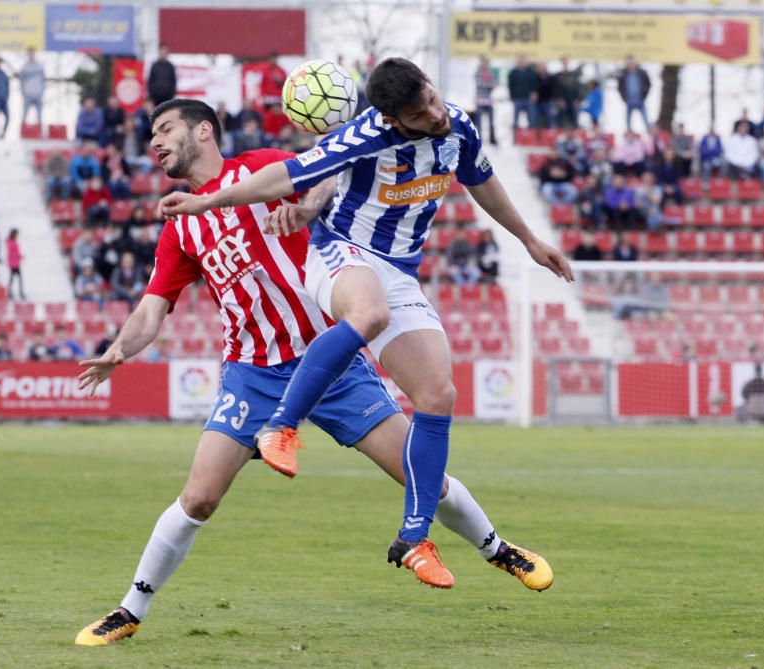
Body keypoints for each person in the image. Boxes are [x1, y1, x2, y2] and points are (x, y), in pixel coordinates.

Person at [74, 98, 552, 646]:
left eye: (164, 130)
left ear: (203, 130)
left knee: (420, 473)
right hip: (252, 373)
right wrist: (119, 349)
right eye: (151, 135)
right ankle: (129, 610)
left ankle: (499, 549)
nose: (154, 142)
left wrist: (306, 206)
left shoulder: (262, 167)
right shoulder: (182, 226)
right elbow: (151, 308)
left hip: (332, 362)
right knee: (200, 497)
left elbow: (335, 177)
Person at [158, 61, 567, 586]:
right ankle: (281, 426)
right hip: (341, 254)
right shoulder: (364, 136)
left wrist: (529, 239)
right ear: (394, 120)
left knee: (438, 395)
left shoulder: (458, 124)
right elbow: (286, 175)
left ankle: (417, 535)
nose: (436, 113)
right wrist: (207, 201)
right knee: (368, 315)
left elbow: (481, 181)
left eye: (433, 98)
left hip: (399, 271)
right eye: (421, 113)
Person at [617, 55, 651, 131]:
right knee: (628, 123)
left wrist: (644, 95)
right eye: (628, 63)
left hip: (640, 100)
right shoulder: (623, 74)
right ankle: (629, 137)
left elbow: (648, 84)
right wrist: (624, 98)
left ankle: (650, 137)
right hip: (629, 102)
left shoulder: (641, 73)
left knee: (646, 121)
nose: (630, 64)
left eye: (631, 62)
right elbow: (619, 88)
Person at [507, 55, 537, 129]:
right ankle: (515, 136)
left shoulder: (531, 73)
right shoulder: (513, 73)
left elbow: (534, 84)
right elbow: (511, 86)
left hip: (529, 99)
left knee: (532, 119)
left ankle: (531, 135)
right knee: (516, 120)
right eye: (520, 61)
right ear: (517, 62)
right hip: (518, 99)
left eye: (523, 61)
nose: (522, 63)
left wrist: (534, 93)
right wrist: (512, 97)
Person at [19, 47, 45, 126]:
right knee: (24, 115)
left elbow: (43, 80)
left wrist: (42, 91)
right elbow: (21, 81)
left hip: (38, 94)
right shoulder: (25, 67)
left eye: (32, 53)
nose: (31, 55)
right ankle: (23, 133)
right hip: (28, 94)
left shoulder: (40, 66)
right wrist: (23, 92)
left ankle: (40, 134)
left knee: (39, 117)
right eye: (29, 53)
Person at [473, 55, 496, 145]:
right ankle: (479, 138)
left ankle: (492, 138)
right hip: (480, 100)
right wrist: (488, 84)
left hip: (489, 101)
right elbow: (480, 83)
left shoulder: (491, 72)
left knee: (491, 121)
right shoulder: (477, 72)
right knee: (479, 121)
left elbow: (494, 84)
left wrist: (487, 84)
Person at [6, 228, 25, 300]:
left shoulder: (12, 242)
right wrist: (18, 256)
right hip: (13, 263)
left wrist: (20, 256)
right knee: (15, 278)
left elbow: (16, 252)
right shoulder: (10, 242)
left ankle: (13, 292)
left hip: (16, 262)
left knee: (14, 278)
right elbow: (12, 253)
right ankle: (15, 292)